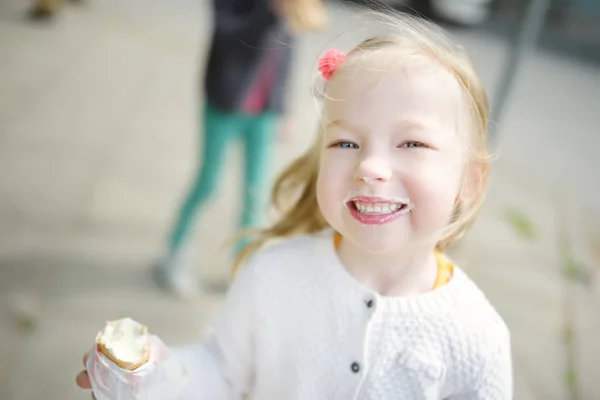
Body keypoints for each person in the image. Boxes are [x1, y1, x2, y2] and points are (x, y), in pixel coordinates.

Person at [77, 10, 513, 398]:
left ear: (470, 182)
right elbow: (225, 372)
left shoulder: (478, 341)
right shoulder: (272, 275)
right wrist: (160, 377)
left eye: (412, 142)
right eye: (346, 141)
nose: (371, 165)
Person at [156, 0, 327, 297]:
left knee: (256, 193)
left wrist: (282, 109)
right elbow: (228, 40)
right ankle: (174, 252)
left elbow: (285, 55)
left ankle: (241, 265)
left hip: (263, 113)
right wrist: (270, 12)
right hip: (225, 105)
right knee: (208, 183)